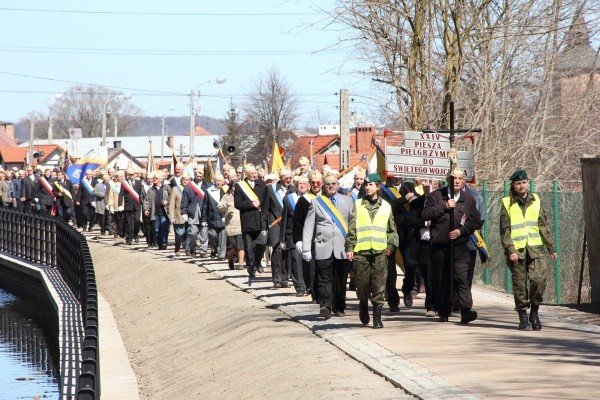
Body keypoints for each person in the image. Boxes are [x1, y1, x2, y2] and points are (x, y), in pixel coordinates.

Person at [422, 168, 481, 323]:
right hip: (440, 246)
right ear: (448, 179)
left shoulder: (468, 199)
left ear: (463, 181)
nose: (456, 181)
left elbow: (474, 221)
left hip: (460, 246)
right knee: (441, 278)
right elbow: (426, 214)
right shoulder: (436, 196)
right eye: (454, 178)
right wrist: (444, 207)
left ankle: (466, 310)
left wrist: (461, 231)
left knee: (461, 277)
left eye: (460, 178)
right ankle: (443, 310)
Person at [501, 169, 556, 331]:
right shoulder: (507, 203)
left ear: (528, 183)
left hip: (536, 248)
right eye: (518, 183)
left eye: (524, 182)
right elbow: (505, 230)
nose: (522, 185)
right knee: (519, 284)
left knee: (539, 281)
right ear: (513, 185)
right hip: (517, 250)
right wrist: (510, 249)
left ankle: (535, 311)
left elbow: (543, 225)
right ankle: (523, 316)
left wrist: (551, 247)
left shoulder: (536, 200)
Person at [346, 173, 398, 328]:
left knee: (379, 285)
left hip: (380, 253)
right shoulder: (358, 204)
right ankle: (363, 303)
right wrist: (349, 247)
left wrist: (391, 245)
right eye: (366, 184)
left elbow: (391, 230)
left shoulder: (386, 206)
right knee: (361, 285)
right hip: (361, 252)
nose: (367, 187)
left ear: (378, 187)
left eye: (370, 184)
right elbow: (352, 228)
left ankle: (377, 318)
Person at [302, 172, 354, 320]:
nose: (331, 186)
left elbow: (352, 225)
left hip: (342, 247)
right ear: (323, 187)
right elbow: (308, 226)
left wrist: (353, 246)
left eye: (333, 183)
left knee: (340, 278)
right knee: (324, 277)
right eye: (328, 184)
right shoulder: (317, 202)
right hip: (323, 246)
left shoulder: (348, 201)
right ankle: (325, 306)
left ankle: (339, 307)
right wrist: (306, 247)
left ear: (338, 185)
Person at [263, 168, 295, 288]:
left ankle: (285, 277)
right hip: (274, 223)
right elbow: (265, 209)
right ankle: (276, 278)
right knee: (277, 250)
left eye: (290, 178)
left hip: (288, 224)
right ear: (280, 178)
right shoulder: (270, 189)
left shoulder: (293, 190)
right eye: (286, 178)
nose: (288, 180)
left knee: (287, 250)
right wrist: (263, 227)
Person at [293, 170, 322, 301]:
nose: (316, 185)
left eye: (318, 182)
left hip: (324, 238)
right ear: (309, 184)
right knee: (311, 269)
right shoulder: (303, 201)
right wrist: (299, 240)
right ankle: (314, 292)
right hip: (309, 239)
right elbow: (297, 222)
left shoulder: (326, 198)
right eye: (313, 182)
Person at [234, 164, 268, 277]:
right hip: (247, 221)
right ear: (246, 174)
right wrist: (251, 204)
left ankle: (257, 262)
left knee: (262, 243)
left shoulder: (261, 184)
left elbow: (266, 201)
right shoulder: (240, 186)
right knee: (248, 247)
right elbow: (237, 204)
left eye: (255, 172)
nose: (254, 175)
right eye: (251, 173)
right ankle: (251, 268)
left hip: (260, 220)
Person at [281, 175, 309, 295]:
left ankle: (308, 286)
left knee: (307, 262)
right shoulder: (289, 199)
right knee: (296, 261)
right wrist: (282, 239)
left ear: (308, 185)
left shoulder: (312, 198)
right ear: (296, 185)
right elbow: (285, 219)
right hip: (292, 234)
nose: (302, 185)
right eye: (299, 183)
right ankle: (299, 287)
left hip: (308, 234)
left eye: (304, 183)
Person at [219, 180, 245, 270]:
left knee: (240, 245)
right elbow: (220, 206)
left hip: (241, 223)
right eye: (234, 186)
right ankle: (230, 261)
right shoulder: (227, 196)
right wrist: (227, 204)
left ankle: (241, 264)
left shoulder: (243, 195)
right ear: (231, 187)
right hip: (230, 224)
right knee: (231, 246)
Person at [181, 170, 208, 257]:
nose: (199, 178)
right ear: (194, 175)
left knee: (204, 232)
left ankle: (203, 251)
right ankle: (192, 247)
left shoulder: (206, 186)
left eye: (201, 176)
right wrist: (183, 212)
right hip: (192, 212)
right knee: (192, 232)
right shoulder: (188, 187)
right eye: (197, 176)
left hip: (204, 211)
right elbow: (184, 200)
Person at [144, 170, 172, 250]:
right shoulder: (151, 189)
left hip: (164, 212)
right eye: (153, 178)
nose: (154, 179)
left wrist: (167, 202)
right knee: (156, 229)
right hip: (155, 212)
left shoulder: (166, 188)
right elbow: (147, 200)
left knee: (164, 227)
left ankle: (164, 242)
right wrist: (146, 209)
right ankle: (159, 243)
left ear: (160, 179)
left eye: (155, 178)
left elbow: (172, 196)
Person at [118, 168, 143, 245]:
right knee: (129, 223)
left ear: (135, 174)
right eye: (129, 175)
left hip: (137, 205)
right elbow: (121, 194)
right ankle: (129, 238)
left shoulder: (139, 182)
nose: (130, 176)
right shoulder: (124, 183)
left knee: (137, 221)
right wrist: (120, 205)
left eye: (132, 174)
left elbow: (141, 193)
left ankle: (136, 235)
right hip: (128, 205)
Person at [205, 173, 227, 260]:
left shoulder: (226, 190)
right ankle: (214, 248)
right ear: (214, 181)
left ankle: (221, 255)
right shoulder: (209, 191)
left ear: (223, 181)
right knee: (213, 235)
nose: (219, 182)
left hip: (223, 218)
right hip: (212, 218)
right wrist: (204, 219)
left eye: (220, 181)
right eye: (217, 181)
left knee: (223, 237)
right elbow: (205, 206)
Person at [169, 173, 189, 257]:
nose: (185, 181)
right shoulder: (175, 189)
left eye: (187, 180)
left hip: (189, 215)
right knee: (180, 234)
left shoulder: (191, 189)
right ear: (181, 180)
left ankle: (188, 250)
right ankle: (177, 247)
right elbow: (172, 204)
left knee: (189, 233)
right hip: (179, 215)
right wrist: (172, 216)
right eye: (183, 179)